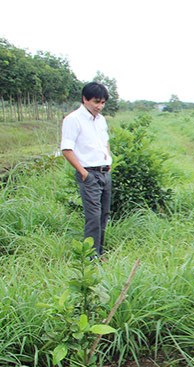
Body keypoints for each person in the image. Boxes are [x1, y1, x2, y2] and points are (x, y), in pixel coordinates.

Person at [61, 81, 113, 257]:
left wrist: (108, 159)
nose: (100, 106)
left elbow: (104, 141)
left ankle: (100, 253)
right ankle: (91, 258)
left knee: (103, 215)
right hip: (89, 174)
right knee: (93, 217)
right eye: (96, 102)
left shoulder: (101, 120)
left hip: (105, 172)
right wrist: (83, 173)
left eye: (103, 102)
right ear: (85, 99)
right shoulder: (73, 119)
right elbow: (67, 149)